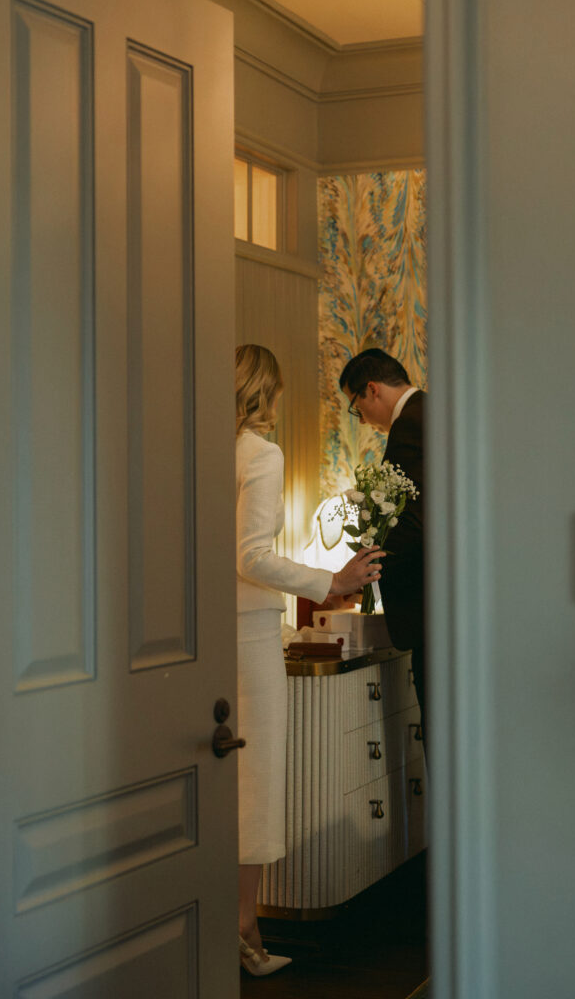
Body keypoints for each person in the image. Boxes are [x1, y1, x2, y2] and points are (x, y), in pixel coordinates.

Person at [235, 343, 385, 976]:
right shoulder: (261, 455)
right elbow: (251, 556)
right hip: (246, 636)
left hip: (198, 638)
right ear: (265, 394)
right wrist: (331, 579)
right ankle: (244, 931)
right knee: (258, 783)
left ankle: (216, 923)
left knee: (215, 784)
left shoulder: (192, 447)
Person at [339, 348, 427, 750]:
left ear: (371, 390)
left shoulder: (409, 426)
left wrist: (368, 567)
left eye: (357, 408)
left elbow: (414, 522)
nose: (365, 421)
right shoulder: (433, 411)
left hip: (430, 605)